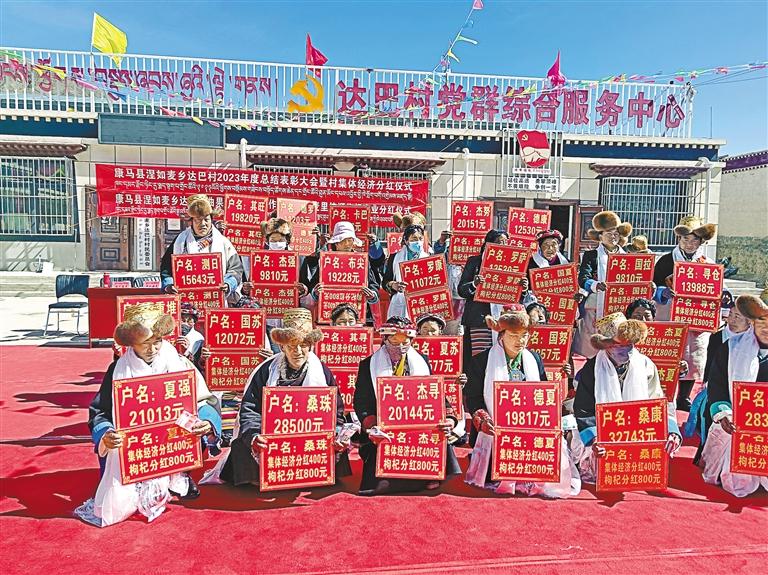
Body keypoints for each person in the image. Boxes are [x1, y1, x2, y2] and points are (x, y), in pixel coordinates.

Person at [77, 303, 221, 527]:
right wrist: (106, 434)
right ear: (132, 343)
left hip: (173, 442)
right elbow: (100, 412)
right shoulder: (117, 371)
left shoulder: (180, 364)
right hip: (136, 447)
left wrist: (207, 421)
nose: (152, 349)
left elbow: (204, 400)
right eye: (145, 343)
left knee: (196, 432)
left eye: (157, 342)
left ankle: (180, 476)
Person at [218, 308, 352, 487]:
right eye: (292, 346)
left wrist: (336, 433)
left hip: (308, 435)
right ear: (282, 347)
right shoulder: (266, 371)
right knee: (243, 445)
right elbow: (250, 408)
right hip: (273, 436)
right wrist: (255, 435)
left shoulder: (322, 372)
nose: (298, 351)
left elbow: (336, 410)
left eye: (303, 345)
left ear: (311, 346)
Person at [464, 305, 578, 497]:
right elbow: (473, 397)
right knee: (492, 472)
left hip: (528, 428)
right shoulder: (481, 361)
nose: (521, 341)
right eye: (514, 335)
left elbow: (543, 395)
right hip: (496, 430)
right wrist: (483, 420)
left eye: (525, 335)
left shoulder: (534, 358)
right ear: (501, 334)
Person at [353, 317, 461, 495]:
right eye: (395, 341)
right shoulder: (368, 365)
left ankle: (429, 475)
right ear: (385, 339)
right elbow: (361, 401)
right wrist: (371, 424)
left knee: (437, 429)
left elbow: (436, 394)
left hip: (418, 423)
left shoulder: (422, 360)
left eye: (406, 341)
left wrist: (449, 419)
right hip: (384, 424)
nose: (401, 346)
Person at [572, 312, 681, 483]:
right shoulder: (591, 370)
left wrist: (672, 430)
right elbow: (584, 410)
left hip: (639, 430)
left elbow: (659, 402)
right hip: (602, 432)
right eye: (618, 345)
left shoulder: (645, 365)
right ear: (606, 346)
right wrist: (594, 439)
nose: (626, 350)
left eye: (629, 344)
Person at [701, 293, 768, 497]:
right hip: (736, 424)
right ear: (753, 322)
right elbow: (717, 385)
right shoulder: (731, 348)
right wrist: (724, 413)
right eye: (762, 322)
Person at [652, 216, 718, 411]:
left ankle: (684, 396)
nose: (690, 244)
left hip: (695, 317)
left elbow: (715, 291)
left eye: (694, 240)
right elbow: (652, 286)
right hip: (667, 314)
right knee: (667, 354)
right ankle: (662, 393)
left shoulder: (708, 264)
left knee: (693, 356)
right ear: (678, 239)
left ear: (701, 241)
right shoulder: (665, 261)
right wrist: (662, 292)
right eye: (685, 239)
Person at [686, 301, 751, 464]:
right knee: (712, 421)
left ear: (749, 321)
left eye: (738, 317)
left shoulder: (754, 342)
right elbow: (711, 364)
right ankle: (707, 457)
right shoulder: (718, 337)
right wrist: (708, 383)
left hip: (744, 393)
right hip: (719, 388)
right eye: (731, 315)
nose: (732, 320)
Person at [571, 210, 632, 359]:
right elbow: (583, 278)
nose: (613, 237)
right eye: (609, 234)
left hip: (619, 306)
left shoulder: (628, 257)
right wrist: (595, 285)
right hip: (595, 305)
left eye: (616, 234)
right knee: (592, 345)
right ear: (600, 236)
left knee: (617, 343)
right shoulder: (591, 256)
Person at [160, 194, 243, 300]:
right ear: (191, 221)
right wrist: (169, 285)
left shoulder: (223, 242)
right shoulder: (180, 242)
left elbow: (236, 269)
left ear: (211, 220)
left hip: (215, 300)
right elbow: (166, 269)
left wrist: (228, 283)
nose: (203, 224)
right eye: (198, 220)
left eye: (206, 219)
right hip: (187, 301)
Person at [301, 221, 380, 323]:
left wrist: (372, 295)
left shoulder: (361, 261)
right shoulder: (327, 260)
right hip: (331, 313)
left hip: (355, 315)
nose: (347, 244)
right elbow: (314, 284)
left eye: (350, 240)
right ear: (336, 243)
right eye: (343, 240)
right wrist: (316, 292)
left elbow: (373, 284)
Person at [457, 229, 514, 369]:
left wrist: (522, 288)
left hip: (504, 317)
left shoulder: (512, 263)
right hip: (480, 319)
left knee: (504, 357)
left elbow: (515, 295)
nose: (502, 245)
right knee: (480, 359)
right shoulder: (475, 262)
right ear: (488, 243)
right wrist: (474, 284)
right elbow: (462, 290)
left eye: (505, 242)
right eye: (499, 242)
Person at [382, 223, 431, 319]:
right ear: (406, 241)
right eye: (414, 239)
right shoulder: (395, 257)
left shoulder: (428, 259)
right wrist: (393, 285)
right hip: (399, 302)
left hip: (421, 304)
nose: (418, 242)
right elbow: (385, 282)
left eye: (420, 239)